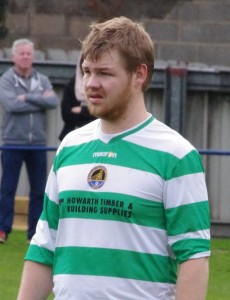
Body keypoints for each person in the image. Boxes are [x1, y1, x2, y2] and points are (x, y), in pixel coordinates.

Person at [17, 17, 210, 300]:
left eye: (105, 73)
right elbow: (44, 246)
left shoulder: (176, 155)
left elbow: (194, 257)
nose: (90, 84)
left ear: (139, 74)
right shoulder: (70, 147)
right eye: (86, 72)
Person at [0, 38, 58, 243]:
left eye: (28, 53)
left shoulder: (41, 79)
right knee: (7, 188)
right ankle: (2, 230)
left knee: (38, 190)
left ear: (33, 57)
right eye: (21, 53)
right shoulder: (6, 79)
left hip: (38, 144)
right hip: (12, 142)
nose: (25, 57)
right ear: (14, 57)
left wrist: (26, 98)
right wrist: (38, 99)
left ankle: (34, 232)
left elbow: (52, 101)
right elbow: (12, 105)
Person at [59, 55, 95, 141]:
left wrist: (82, 110)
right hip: (72, 136)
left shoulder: (98, 86)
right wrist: (89, 112)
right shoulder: (71, 86)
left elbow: (100, 114)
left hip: (94, 137)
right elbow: (66, 115)